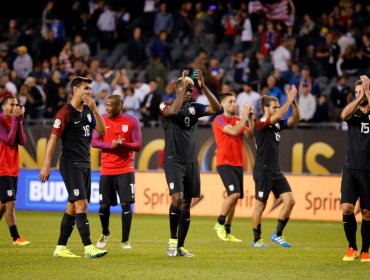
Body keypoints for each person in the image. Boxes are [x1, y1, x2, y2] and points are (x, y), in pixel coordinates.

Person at [39, 76, 108, 258]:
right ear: (76, 90)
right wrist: (46, 165)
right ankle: (88, 248)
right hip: (70, 164)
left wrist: (95, 110)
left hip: (85, 164)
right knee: (81, 204)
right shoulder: (64, 113)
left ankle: (60, 247)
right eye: (86, 88)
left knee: (72, 206)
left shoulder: (88, 110)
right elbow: (53, 140)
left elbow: (103, 132)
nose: (89, 92)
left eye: (90, 89)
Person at [160, 69, 221, 257]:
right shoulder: (166, 104)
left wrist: (204, 88)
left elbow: (217, 109)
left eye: (190, 91)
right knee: (176, 198)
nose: (188, 94)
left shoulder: (195, 108)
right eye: (185, 90)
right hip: (173, 161)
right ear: (177, 89)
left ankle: (180, 246)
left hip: (191, 162)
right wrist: (182, 90)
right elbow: (173, 111)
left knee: (187, 203)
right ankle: (171, 241)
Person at [251, 85, 300, 248]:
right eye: (275, 107)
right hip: (263, 170)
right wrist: (288, 100)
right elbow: (279, 116)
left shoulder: (277, 125)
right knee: (260, 205)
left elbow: (295, 119)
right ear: (265, 108)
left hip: (276, 171)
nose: (278, 109)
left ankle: (277, 234)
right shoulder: (260, 123)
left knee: (290, 201)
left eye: (278, 106)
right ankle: (256, 240)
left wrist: (293, 103)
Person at [91, 95, 142, 250]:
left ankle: (125, 241)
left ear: (119, 106)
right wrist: (111, 145)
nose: (106, 108)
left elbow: (138, 145)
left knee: (126, 205)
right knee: (104, 206)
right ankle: (105, 232)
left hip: (125, 169)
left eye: (109, 105)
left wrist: (123, 144)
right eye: (105, 105)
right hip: (107, 169)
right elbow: (94, 141)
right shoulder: (101, 119)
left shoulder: (132, 120)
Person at [212, 92, 254, 242]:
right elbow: (234, 131)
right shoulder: (219, 120)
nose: (233, 104)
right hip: (224, 163)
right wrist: (243, 117)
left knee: (236, 199)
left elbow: (250, 136)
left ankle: (228, 230)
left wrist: (250, 118)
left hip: (237, 163)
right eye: (230, 101)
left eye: (234, 101)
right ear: (222, 104)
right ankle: (220, 223)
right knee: (234, 194)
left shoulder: (238, 119)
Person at [340, 75, 370, 262]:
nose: (359, 95)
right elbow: (343, 115)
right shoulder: (354, 114)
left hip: (369, 171)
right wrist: (360, 97)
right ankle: (352, 247)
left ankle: (366, 250)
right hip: (351, 168)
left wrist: (368, 91)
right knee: (347, 207)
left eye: (362, 91)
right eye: (356, 92)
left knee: (367, 213)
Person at [0, 97, 30, 246]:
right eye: (11, 104)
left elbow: (22, 141)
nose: (15, 107)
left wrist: (19, 121)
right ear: (3, 107)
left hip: (13, 169)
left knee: (3, 204)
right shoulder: (0, 120)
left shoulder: (14, 120)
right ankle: (16, 238)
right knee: (11, 202)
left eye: (16, 104)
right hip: (2, 168)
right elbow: (9, 140)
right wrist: (16, 120)